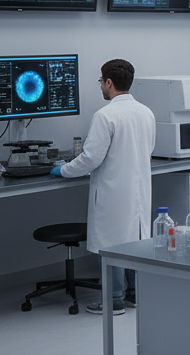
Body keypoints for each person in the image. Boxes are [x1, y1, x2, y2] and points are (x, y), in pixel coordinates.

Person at [50, 59, 155, 315]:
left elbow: (90, 159)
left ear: (109, 82)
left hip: (113, 190)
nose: (101, 86)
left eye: (101, 82)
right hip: (138, 188)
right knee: (134, 241)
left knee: (113, 243)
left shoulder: (105, 115)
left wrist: (63, 170)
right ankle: (134, 294)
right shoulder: (146, 112)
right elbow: (148, 149)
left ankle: (114, 300)